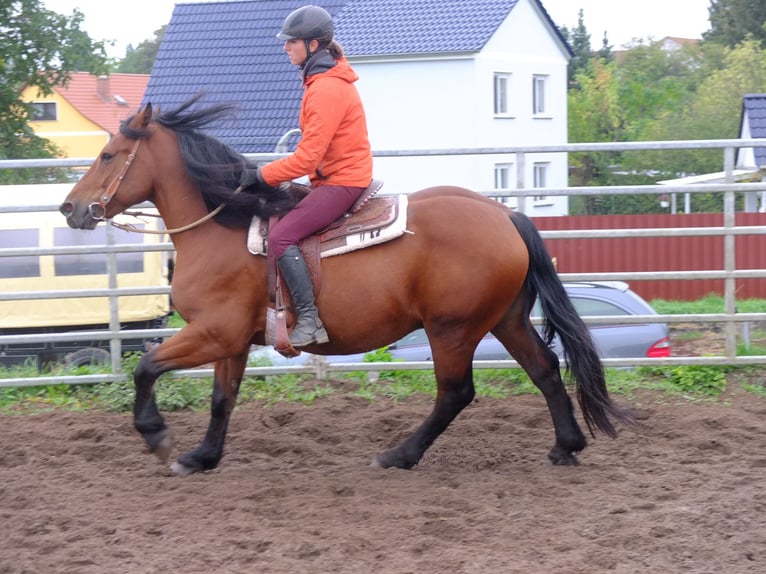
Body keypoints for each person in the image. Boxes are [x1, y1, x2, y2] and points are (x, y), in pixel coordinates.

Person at [241, 5, 373, 347]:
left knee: (282, 237)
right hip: (330, 179)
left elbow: (307, 157)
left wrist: (262, 175)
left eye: (292, 42)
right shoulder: (321, 81)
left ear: (313, 45)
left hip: (341, 182)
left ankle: (310, 321)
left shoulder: (326, 87)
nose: (285, 47)